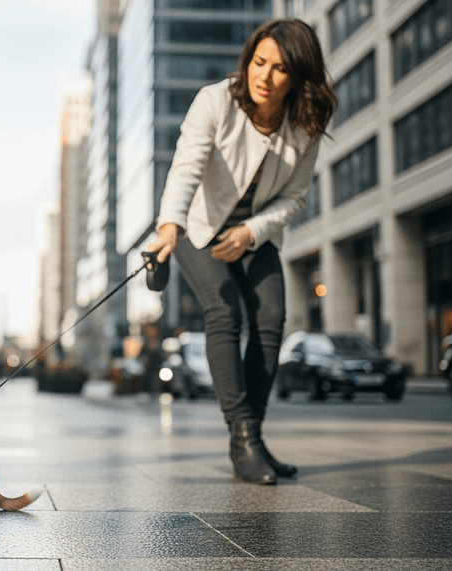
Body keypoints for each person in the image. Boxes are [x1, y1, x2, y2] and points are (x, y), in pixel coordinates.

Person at [146, 19, 336, 485]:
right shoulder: (215, 101)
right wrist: (169, 226)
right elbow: (186, 167)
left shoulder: (305, 123)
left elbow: (295, 198)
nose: (264, 76)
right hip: (199, 227)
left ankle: (253, 435)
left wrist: (252, 231)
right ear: (249, 59)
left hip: (255, 234)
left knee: (271, 318)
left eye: (279, 68)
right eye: (259, 62)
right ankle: (242, 436)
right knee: (224, 312)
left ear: (298, 77)